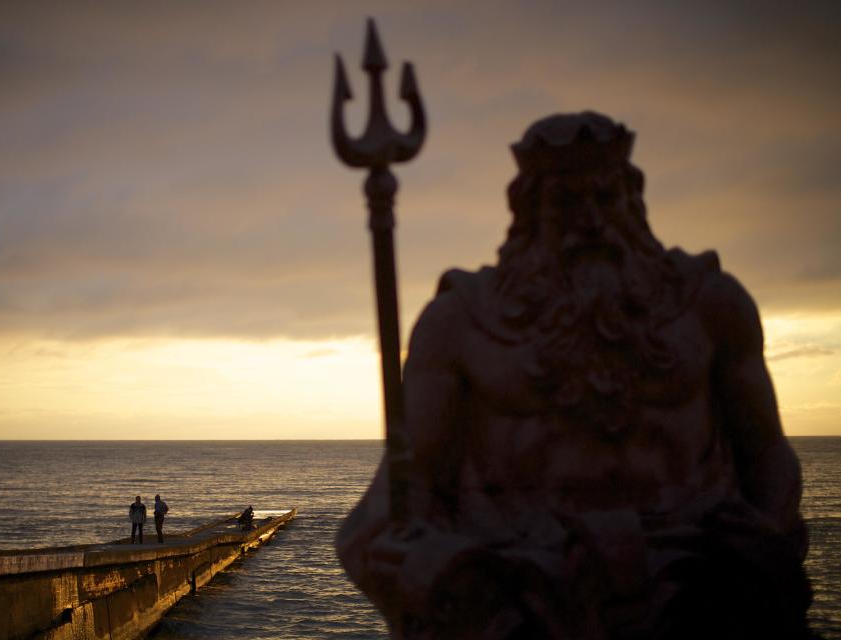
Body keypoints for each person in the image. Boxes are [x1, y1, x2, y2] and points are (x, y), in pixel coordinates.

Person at [337, 112, 811, 639]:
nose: (590, 222)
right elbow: (406, 480)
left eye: (605, 200)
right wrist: (410, 550)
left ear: (634, 205)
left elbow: (766, 451)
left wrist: (768, 529)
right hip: (522, 591)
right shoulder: (462, 324)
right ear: (528, 213)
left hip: (696, 592)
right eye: (566, 203)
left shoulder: (711, 307)